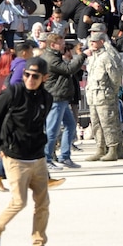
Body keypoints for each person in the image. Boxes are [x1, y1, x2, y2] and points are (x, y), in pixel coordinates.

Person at [0, 57, 60, 246]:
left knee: (43, 204)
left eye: (35, 76)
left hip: (37, 158)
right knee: (19, 202)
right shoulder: (14, 92)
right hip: (15, 157)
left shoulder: (47, 98)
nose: (29, 79)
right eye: (27, 74)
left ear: (44, 78)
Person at [42, 34, 88, 171]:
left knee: (71, 125)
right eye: (61, 44)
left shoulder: (54, 56)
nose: (63, 46)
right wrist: (83, 55)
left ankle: (65, 156)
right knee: (52, 130)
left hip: (61, 97)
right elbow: (68, 69)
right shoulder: (51, 59)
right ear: (52, 45)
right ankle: (46, 159)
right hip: (55, 97)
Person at [84, 32, 123, 162]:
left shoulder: (107, 56)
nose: (92, 44)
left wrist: (113, 91)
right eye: (91, 42)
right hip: (93, 96)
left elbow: (115, 76)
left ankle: (113, 149)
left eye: (95, 41)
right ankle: (100, 148)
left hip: (104, 95)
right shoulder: (92, 57)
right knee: (96, 124)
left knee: (108, 123)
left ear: (102, 42)